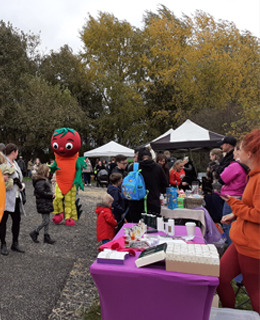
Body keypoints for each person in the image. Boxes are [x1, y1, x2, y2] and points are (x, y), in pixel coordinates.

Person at [217, 129, 260, 314]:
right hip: (241, 242)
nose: (237, 153)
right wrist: (236, 214)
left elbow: (258, 214)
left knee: (255, 291)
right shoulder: (253, 175)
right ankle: (228, 315)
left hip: (252, 246)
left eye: (240, 149)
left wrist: (234, 205)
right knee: (220, 278)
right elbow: (252, 205)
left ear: (249, 153)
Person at [128, 147, 168, 222]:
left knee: (137, 229)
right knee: (153, 228)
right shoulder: (158, 167)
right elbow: (164, 185)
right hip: (153, 203)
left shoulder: (133, 167)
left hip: (136, 203)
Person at [219, 144, 248, 245]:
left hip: (232, 197)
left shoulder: (235, 165)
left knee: (228, 225)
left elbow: (222, 178)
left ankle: (232, 246)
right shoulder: (247, 167)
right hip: (240, 194)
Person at [0, 143, 25, 255]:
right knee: (3, 221)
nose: (18, 154)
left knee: (16, 221)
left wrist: (21, 185)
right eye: (17, 151)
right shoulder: (2, 161)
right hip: (4, 196)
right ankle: (3, 244)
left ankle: (15, 243)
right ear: (13, 152)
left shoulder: (15, 163)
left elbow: (19, 177)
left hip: (15, 196)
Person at [30, 164, 55, 244]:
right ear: (44, 172)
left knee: (47, 220)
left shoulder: (42, 181)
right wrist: (51, 195)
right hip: (43, 203)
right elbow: (41, 192)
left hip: (45, 203)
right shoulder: (41, 181)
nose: (49, 173)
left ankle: (46, 236)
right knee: (46, 221)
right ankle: (35, 232)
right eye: (48, 171)